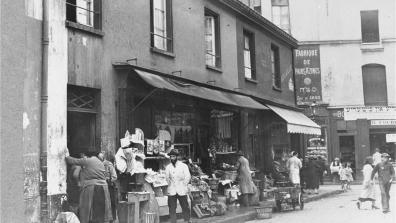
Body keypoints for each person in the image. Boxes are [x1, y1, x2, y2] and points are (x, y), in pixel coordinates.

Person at [65, 151, 113, 223]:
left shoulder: (87, 160)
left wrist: (65, 155)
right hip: (104, 188)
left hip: (92, 187)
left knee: (87, 209)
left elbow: (71, 160)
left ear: (85, 155)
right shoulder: (100, 162)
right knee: (100, 211)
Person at [165, 149, 191, 223]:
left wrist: (183, 185)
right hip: (172, 189)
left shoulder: (183, 166)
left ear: (177, 157)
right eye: (171, 157)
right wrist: (169, 183)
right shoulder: (168, 167)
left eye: (173, 156)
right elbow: (167, 178)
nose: (172, 158)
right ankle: (173, 221)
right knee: (172, 207)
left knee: (185, 206)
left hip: (181, 188)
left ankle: (187, 220)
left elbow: (187, 177)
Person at [98, 152, 118, 223]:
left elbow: (114, 176)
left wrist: (109, 181)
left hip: (109, 187)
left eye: (101, 158)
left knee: (112, 203)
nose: (99, 160)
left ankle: (112, 220)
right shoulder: (98, 165)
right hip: (101, 186)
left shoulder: (108, 164)